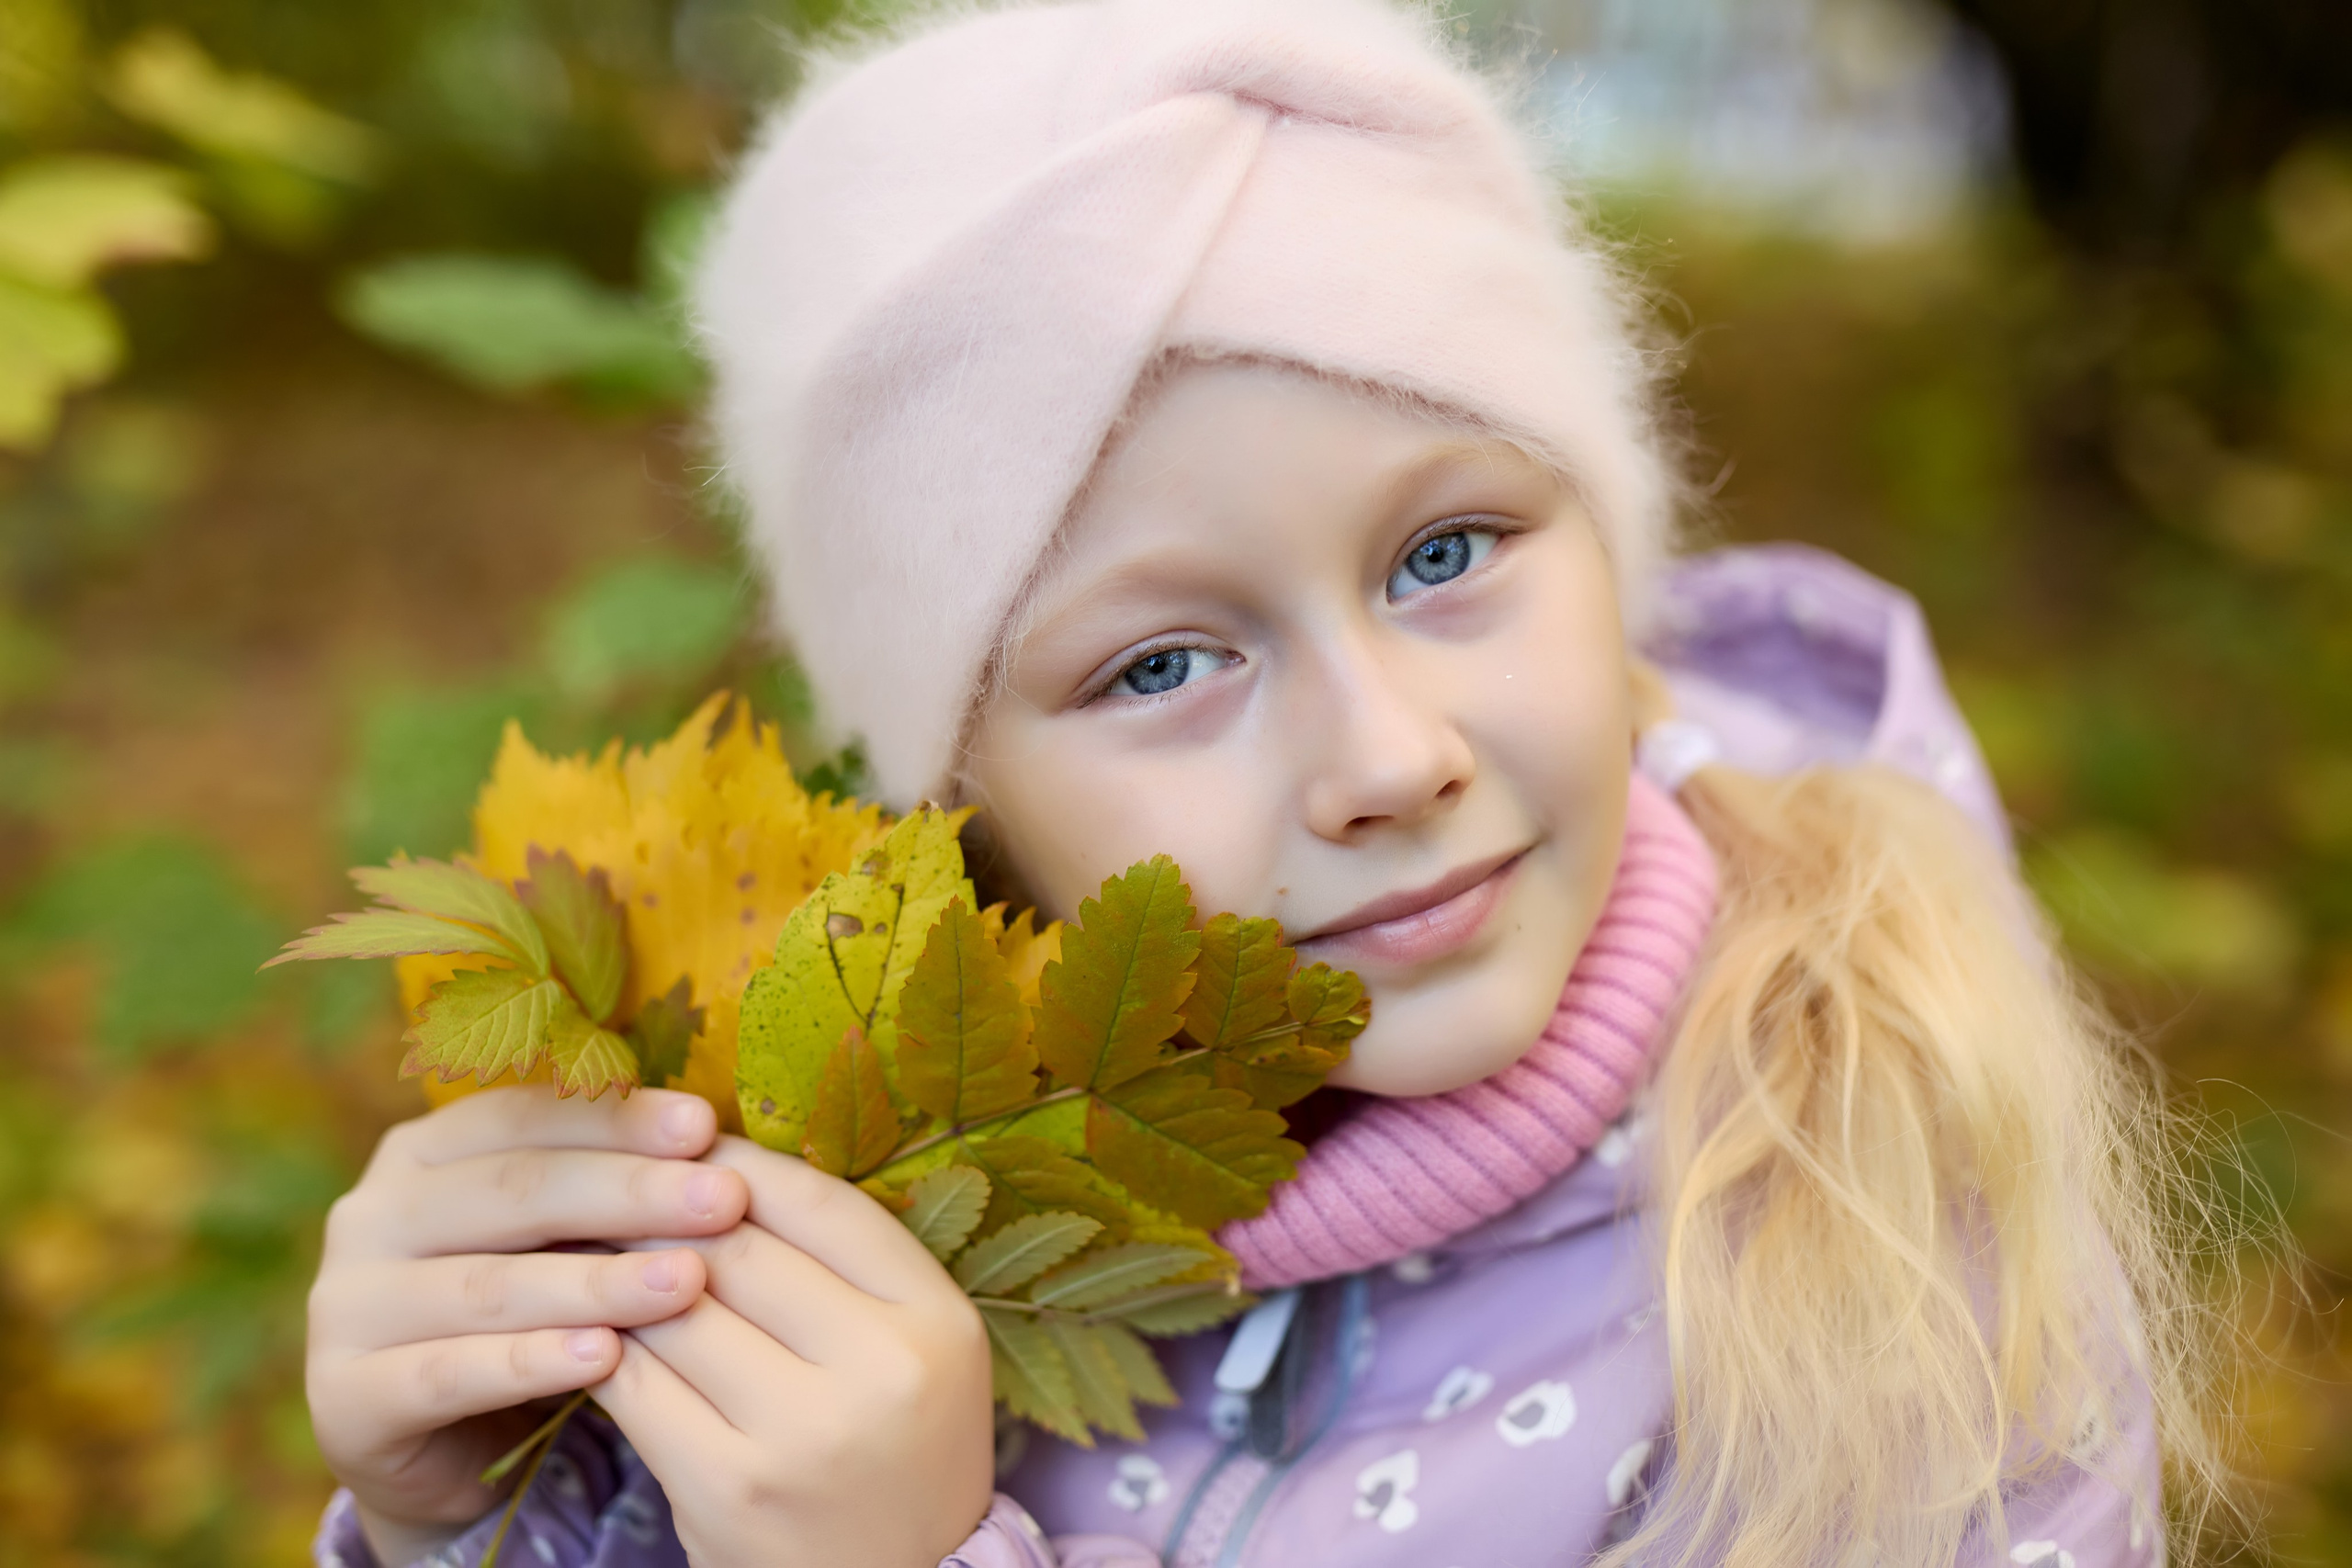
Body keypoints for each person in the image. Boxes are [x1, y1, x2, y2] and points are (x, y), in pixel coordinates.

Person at [306, 2, 2242, 1564]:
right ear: (963, 788)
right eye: (1160, 663)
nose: (1390, 758)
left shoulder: (1885, 1199)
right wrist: (481, 1516)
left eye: (1447, 549)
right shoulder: (849, 1182)